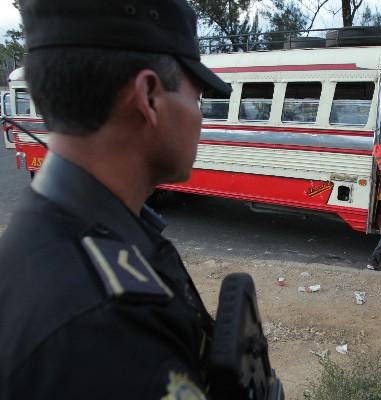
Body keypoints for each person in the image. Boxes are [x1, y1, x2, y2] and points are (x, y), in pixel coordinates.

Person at [0, 0, 233, 398]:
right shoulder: (114, 325)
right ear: (149, 96)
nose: (200, 118)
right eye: (197, 99)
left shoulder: (36, 239)